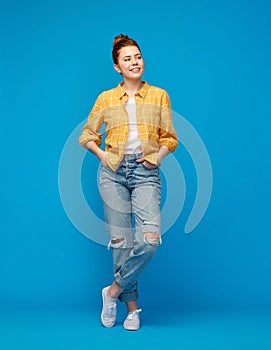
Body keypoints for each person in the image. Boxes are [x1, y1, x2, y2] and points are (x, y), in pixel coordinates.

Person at [79, 34, 178, 331]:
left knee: (149, 240)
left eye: (137, 56)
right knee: (121, 244)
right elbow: (87, 135)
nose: (134, 62)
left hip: (145, 171)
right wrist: (102, 156)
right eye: (127, 59)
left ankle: (111, 292)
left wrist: (157, 158)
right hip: (113, 173)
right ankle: (132, 310)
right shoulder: (106, 98)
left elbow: (170, 138)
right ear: (116, 67)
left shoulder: (159, 95)